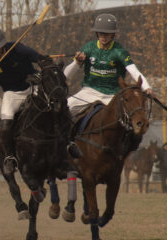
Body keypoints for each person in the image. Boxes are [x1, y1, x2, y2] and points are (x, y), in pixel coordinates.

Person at [0, 26, 81, 175]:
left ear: (2, 45)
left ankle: (68, 142)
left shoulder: (17, 49)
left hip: (34, 87)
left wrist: (40, 72)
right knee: (5, 121)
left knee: (58, 105)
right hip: (12, 93)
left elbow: (42, 60)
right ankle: (10, 157)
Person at [63, 13, 154, 153]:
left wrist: (146, 86)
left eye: (108, 34)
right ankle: (64, 146)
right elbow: (66, 75)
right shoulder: (88, 48)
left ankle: (126, 149)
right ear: (97, 33)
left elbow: (133, 71)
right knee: (63, 109)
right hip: (89, 92)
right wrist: (77, 62)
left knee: (134, 119)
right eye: (101, 33)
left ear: (113, 35)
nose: (104, 36)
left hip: (112, 95)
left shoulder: (120, 52)